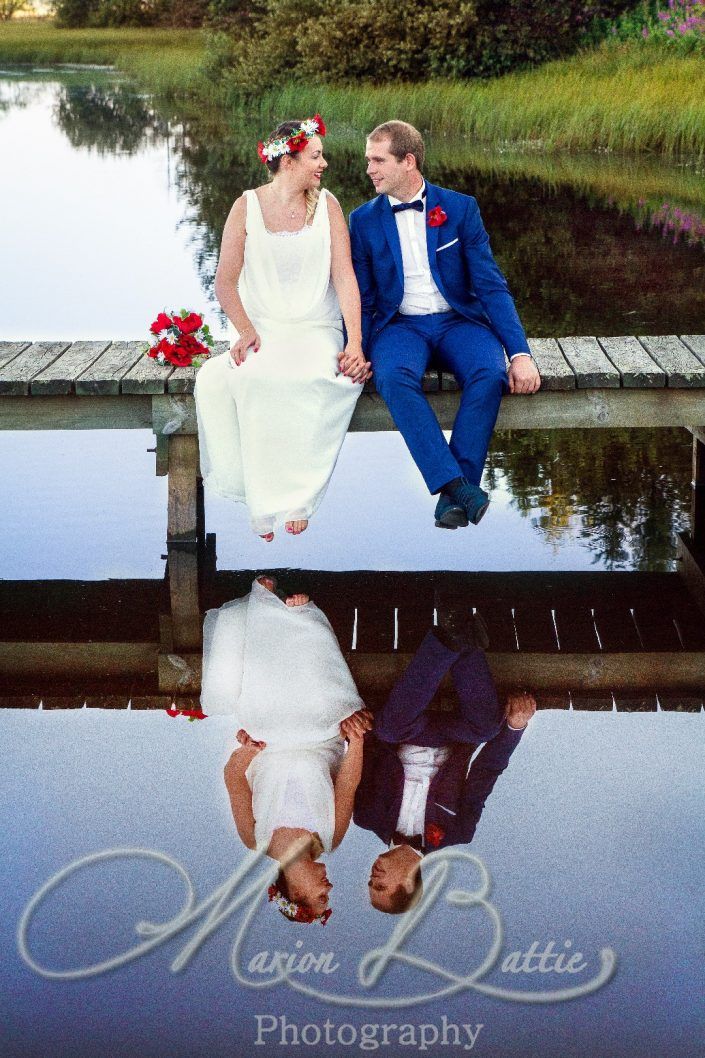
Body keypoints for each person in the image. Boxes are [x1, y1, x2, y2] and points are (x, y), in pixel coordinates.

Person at [348, 120, 541, 530]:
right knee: (394, 377)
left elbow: (491, 288)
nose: (369, 170)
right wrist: (357, 349)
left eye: (378, 160)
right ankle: (458, 485)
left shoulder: (459, 208)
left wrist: (520, 354)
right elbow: (363, 297)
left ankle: (452, 495)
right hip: (400, 325)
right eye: (368, 161)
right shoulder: (362, 221)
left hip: (459, 320)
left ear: (409, 161)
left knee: (489, 373)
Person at [195, 115, 371, 541]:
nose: (323, 163)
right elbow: (224, 281)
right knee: (253, 377)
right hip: (267, 326)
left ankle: (298, 497)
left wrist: (356, 342)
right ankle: (262, 499)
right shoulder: (246, 206)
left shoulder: (327, 205)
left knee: (317, 376)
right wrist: (245, 330)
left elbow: (345, 277)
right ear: (288, 161)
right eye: (315, 156)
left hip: (316, 325)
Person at [209, 575, 372, 923]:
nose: (329, 886)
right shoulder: (331, 838)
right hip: (321, 737)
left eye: (321, 894)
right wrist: (356, 740)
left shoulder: (255, 838)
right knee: (322, 696)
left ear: (295, 892)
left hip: (270, 740)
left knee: (263, 694)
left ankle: (267, 609)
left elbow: (234, 779)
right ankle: (301, 619)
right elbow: (347, 785)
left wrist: (248, 750)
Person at [354, 606, 536, 914]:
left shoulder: (366, 816)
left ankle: (452, 638)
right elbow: (485, 773)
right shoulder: (458, 832)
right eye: (380, 886)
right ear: (409, 884)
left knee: (389, 726)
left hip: (402, 729)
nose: (372, 879)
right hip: (454, 737)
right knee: (489, 725)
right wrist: (516, 727)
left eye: (370, 885)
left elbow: (364, 757)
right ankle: (461, 637)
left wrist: (358, 729)